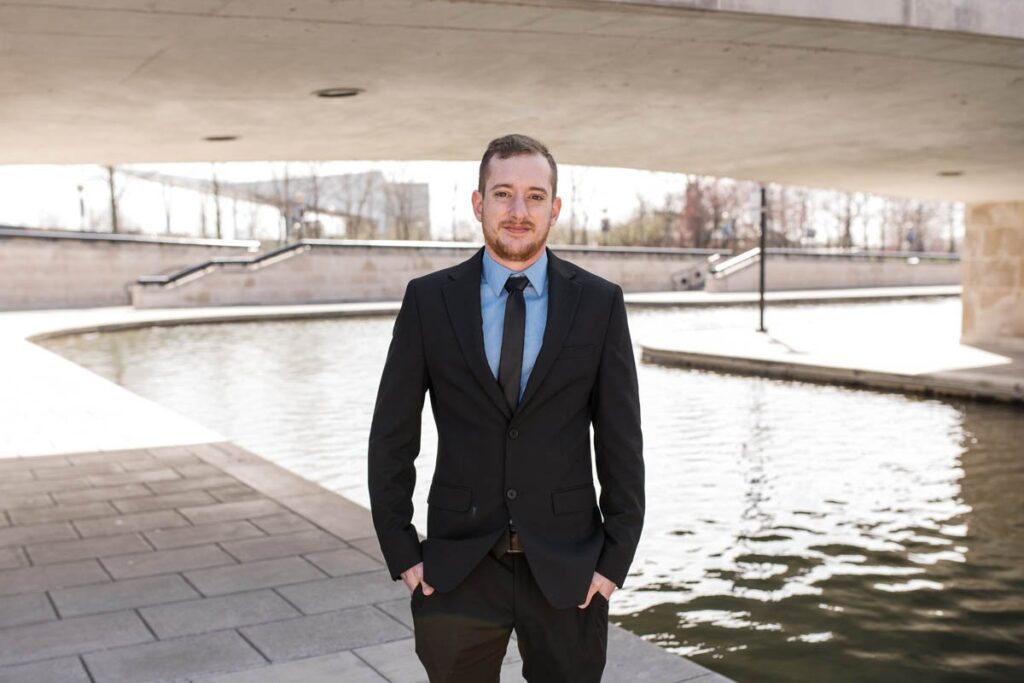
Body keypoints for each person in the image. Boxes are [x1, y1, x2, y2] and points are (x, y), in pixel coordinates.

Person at [368, 133, 644, 682]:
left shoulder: (599, 303)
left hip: (569, 568)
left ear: (555, 209)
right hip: (457, 566)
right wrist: (403, 551)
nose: (519, 212)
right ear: (478, 203)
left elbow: (621, 443)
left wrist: (613, 563)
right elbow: (392, 435)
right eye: (503, 194)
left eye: (535, 196)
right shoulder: (428, 300)